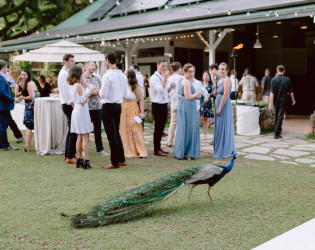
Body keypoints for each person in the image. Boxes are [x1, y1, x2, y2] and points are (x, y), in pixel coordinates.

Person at [100, 51, 128, 169]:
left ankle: (114, 162)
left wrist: (97, 91)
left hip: (108, 107)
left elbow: (102, 94)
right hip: (118, 106)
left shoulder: (107, 75)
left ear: (106, 60)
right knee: (116, 133)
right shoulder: (122, 75)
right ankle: (121, 159)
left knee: (112, 135)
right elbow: (125, 93)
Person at [69, 65, 96, 169]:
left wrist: (84, 88)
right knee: (84, 136)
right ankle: (86, 160)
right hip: (81, 111)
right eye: (81, 73)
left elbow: (79, 97)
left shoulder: (74, 85)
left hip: (77, 110)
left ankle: (79, 159)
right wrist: (90, 92)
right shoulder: (78, 86)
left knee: (79, 136)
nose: (83, 75)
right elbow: (83, 101)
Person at [173, 63, 202, 160]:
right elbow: (188, 97)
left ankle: (186, 151)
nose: (192, 74)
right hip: (187, 106)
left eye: (193, 71)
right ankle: (187, 152)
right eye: (189, 72)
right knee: (188, 128)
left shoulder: (183, 80)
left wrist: (196, 96)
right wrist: (197, 93)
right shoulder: (186, 81)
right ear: (184, 72)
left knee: (185, 127)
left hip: (186, 105)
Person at [120, 69, 147, 158]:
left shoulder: (135, 86)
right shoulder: (122, 85)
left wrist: (142, 112)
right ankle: (125, 149)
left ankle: (140, 150)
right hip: (123, 109)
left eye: (125, 74)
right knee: (124, 129)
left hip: (133, 108)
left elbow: (141, 99)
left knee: (135, 129)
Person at [83, 61, 108, 156]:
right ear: (86, 66)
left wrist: (92, 91)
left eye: (94, 65)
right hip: (86, 107)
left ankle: (100, 149)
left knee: (98, 129)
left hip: (97, 106)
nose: (94, 67)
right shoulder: (82, 78)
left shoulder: (97, 77)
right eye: (92, 65)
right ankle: (84, 149)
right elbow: (83, 91)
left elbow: (100, 90)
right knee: (86, 130)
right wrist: (92, 91)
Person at [213, 62, 237, 158]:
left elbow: (226, 95)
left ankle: (224, 149)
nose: (221, 71)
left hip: (223, 105)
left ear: (227, 70)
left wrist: (220, 107)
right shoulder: (219, 79)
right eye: (220, 69)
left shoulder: (227, 80)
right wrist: (215, 86)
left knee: (224, 126)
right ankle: (219, 148)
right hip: (217, 102)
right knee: (218, 127)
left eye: (223, 69)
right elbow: (215, 94)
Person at [58, 54, 76, 164]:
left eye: (74, 61)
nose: (73, 63)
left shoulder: (67, 73)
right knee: (73, 130)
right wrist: (74, 106)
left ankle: (67, 154)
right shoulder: (63, 73)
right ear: (65, 61)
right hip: (68, 104)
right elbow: (66, 93)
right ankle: (70, 156)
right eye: (71, 61)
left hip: (69, 103)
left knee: (71, 130)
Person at [149, 59, 170, 156]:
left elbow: (166, 90)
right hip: (157, 105)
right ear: (158, 66)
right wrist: (165, 79)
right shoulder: (154, 78)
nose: (164, 68)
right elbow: (160, 89)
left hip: (164, 104)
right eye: (163, 66)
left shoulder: (163, 77)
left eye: (166, 66)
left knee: (162, 129)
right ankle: (156, 149)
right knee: (158, 128)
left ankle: (159, 147)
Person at [269, 65, 296, 139]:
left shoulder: (273, 80)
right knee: (280, 116)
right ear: (284, 70)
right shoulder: (287, 79)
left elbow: (271, 92)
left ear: (277, 70)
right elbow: (290, 91)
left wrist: (270, 103)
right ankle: (277, 133)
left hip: (276, 100)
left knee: (277, 116)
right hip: (284, 100)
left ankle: (278, 130)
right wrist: (293, 99)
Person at [15, 69, 38, 152]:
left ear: (28, 75)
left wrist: (22, 97)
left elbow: (32, 97)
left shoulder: (29, 84)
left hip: (30, 107)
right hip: (33, 106)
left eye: (24, 75)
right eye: (21, 75)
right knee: (34, 126)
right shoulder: (31, 83)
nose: (23, 76)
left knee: (29, 127)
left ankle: (27, 147)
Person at [0, 60, 18, 151]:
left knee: (1, 126)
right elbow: (2, 93)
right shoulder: (1, 78)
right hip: (3, 106)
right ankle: (5, 145)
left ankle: (2, 144)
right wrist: (12, 99)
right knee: (3, 126)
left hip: (2, 106)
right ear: (3, 67)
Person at [5, 65, 23, 143]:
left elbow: (14, 85)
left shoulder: (6, 75)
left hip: (5, 101)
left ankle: (19, 136)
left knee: (9, 120)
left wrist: (9, 84)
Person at [166, 62, 182, 147]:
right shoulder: (181, 78)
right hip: (180, 102)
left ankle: (169, 141)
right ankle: (176, 141)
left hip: (173, 102)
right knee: (179, 123)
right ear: (179, 68)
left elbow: (167, 91)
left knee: (172, 123)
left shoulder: (169, 78)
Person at [199, 71, 214, 140]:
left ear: (209, 77)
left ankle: (205, 134)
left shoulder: (211, 85)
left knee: (205, 119)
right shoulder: (199, 84)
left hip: (207, 104)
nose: (205, 76)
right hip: (199, 103)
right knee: (197, 118)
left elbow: (212, 94)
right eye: (204, 75)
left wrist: (209, 98)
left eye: (207, 75)